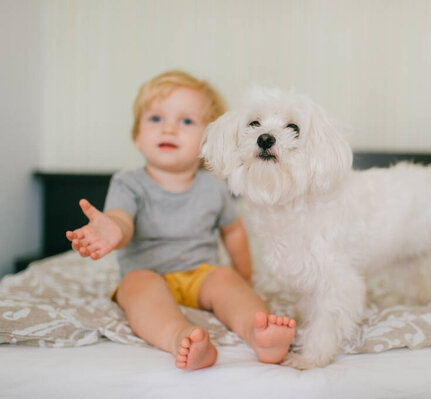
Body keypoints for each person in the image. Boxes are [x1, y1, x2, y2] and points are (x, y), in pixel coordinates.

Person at [66, 70, 295, 370]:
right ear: (137, 135)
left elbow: (234, 232)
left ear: (208, 139)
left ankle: (259, 334)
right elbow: (121, 220)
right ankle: (181, 338)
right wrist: (112, 231)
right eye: (156, 119)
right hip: (148, 273)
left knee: (227, 282)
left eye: (186, 121)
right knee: (135, 286)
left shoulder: (215, 186)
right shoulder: (128, 183)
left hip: (200, 274)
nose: (169, 129)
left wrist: (244, 279)